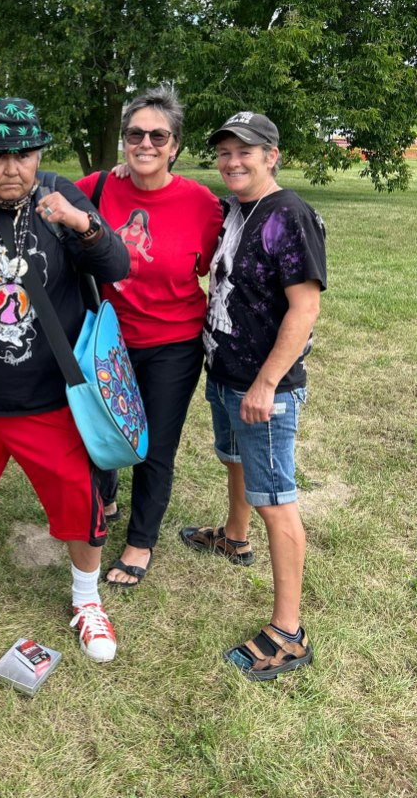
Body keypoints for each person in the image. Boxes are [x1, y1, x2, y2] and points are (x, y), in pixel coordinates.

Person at [0, 97, 130, 662]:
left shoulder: (59, 197)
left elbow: (118, 267)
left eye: (24, 154)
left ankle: (86, 600)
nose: (12, 168)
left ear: (39, 155)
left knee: (74, 499)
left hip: (49, 396)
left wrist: (81, 223)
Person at [180, 111, 326, 680]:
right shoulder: (237, 209)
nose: (233, 161)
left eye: (247, 151)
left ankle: (288, 633)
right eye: (224, 152)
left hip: (264, 385)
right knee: (232, 458)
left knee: (275, 497)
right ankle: (235, 539)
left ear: (273, 155)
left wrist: (266, 384)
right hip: (225, 371)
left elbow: (305, 307)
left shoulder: (288, 216)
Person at [75, 85, 223, 586]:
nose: (146, 144)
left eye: (158, 136)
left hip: (173, 344)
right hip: (107, 339)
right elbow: (45, 199)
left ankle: (140, 542)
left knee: (154, 446)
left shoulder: (201, 205)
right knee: (101, 428)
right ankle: (106, 501)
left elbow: (230, 258)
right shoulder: (97, 186)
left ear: (175, 145)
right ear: (123, 141)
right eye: (135, 134)